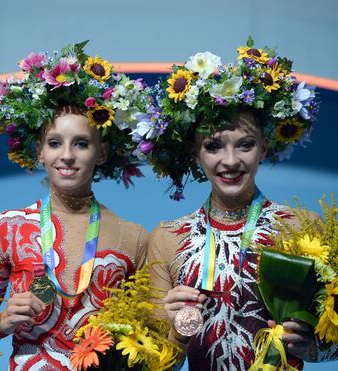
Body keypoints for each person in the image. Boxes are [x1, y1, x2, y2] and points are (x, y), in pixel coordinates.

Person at [132, 40, 338, 369]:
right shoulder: (167, 239)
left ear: (264, 148)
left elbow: (333, 343)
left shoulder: (305, 227)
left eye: (245, 145)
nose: (230, 161)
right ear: (194, 153)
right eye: (213, 146)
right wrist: (176, 333)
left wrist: (314, 347)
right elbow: (154, 365)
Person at [0, 42, 151, 370]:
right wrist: (3, 322)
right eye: (55, 143)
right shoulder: (5, 229)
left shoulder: (134, 237)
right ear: (39, 151)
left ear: (101, 153)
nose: (67, 155)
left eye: (81, 144)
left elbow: (146, 342)